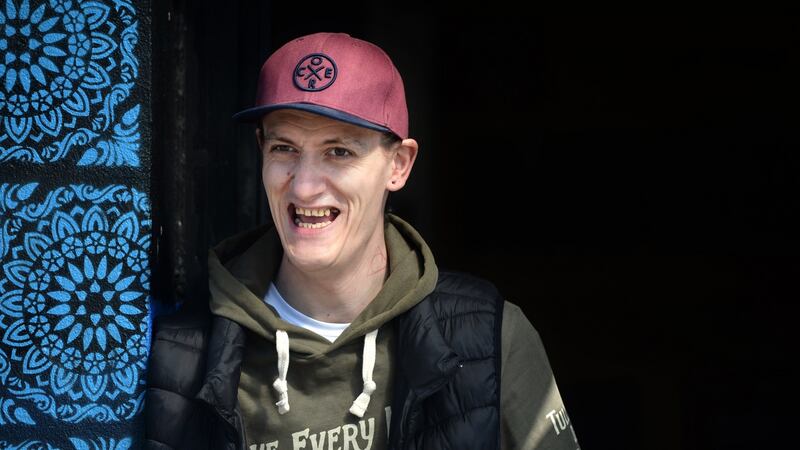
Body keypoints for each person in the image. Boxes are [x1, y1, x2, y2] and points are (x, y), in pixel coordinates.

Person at [145, 32, 580, 450]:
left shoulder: (488, 336)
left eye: (339, 151)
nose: (304, 187)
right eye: (284, 149)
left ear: (399, 164)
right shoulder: (182, 350)